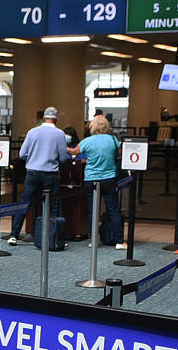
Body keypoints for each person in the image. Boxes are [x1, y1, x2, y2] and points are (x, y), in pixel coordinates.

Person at [8, 107, 69, 246]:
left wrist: (34, 156)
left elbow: (22, 154)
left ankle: (14, 234)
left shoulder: (32, 132)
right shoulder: (59, 134)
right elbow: (63, 158)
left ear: (43, 118)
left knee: (25, 203)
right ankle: (55, 237)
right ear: (56, 119)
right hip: (50, 174)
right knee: (54, 205)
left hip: (32, 173)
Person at [68, 116, 126, 250]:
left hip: (91, 178)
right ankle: (119, 241)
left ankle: (94, 240)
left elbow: (74, 152)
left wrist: (62, 145)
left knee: (93, 210)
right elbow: (119, 153)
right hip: (109, 178)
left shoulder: (87, 141)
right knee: (113, 209)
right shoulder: (113, 140)